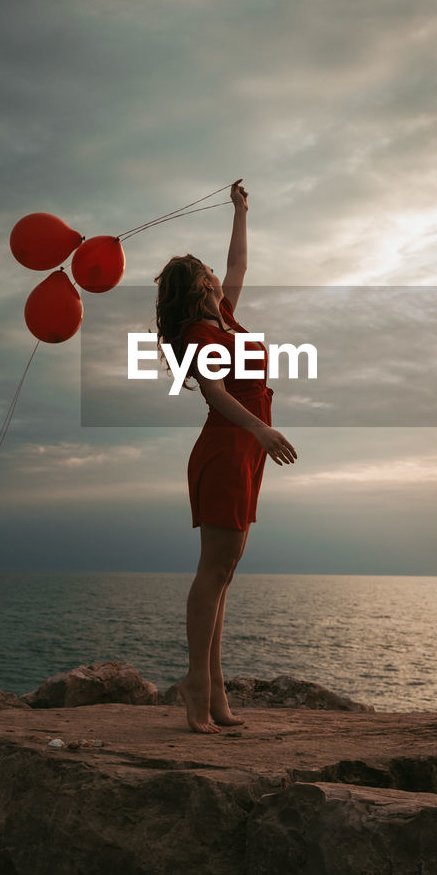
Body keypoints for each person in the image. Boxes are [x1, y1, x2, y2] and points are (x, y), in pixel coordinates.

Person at [154, 179, 298, 733]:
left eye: (216, 275)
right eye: (208, 276)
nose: (219, 276)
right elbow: (214, 393)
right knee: (212, 573)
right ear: (196, 291)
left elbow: (239, 261)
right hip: (227, 449)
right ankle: (197, 687)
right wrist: (262, 429)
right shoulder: (199, 332)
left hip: (244, 451)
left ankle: (213, 689)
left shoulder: (226, 319)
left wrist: (240, 210)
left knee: (224, 574)